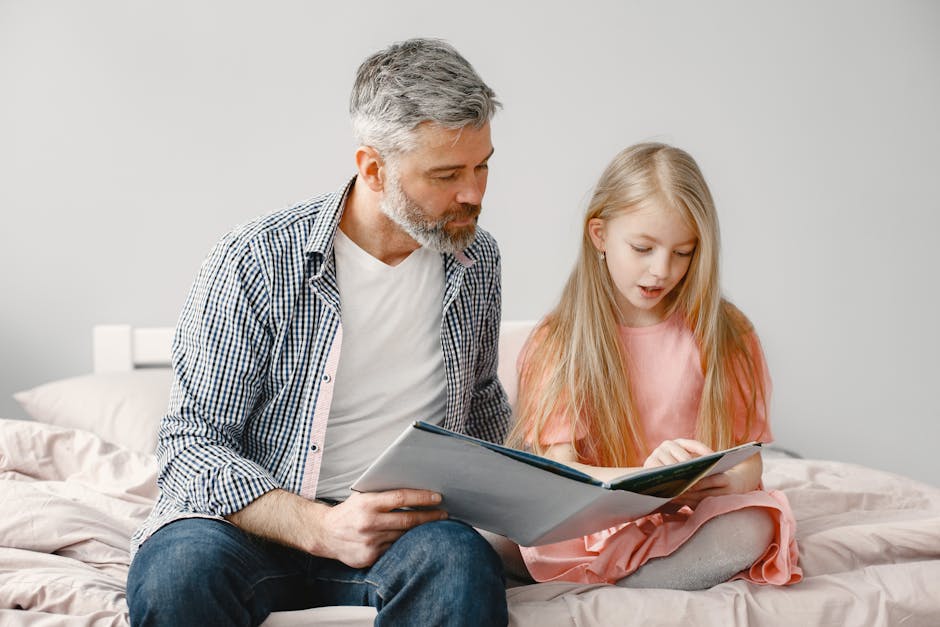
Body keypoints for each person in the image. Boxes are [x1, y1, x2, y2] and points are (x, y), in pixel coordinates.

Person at [127, 38, 511, 626]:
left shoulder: (475, 260)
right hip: (250, 526)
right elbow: (190, 443)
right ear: (373, 169)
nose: (474, 193)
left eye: (482, 166)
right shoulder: (257, 260)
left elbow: (481, 406)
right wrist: (322, 527)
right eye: (447, 174)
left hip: (400, 535)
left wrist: (549, 490)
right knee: (178, 573)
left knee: (461, 563)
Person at [505, 143, 802, 590]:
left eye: (683, 253)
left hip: (687, 520)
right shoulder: (562, 340)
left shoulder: (728, 333)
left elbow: (749, 463)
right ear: (599, 235)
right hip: (595, 522)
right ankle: (634, 580)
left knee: (753, 525)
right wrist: (649, 481)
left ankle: (618, 586)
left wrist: (726, 481)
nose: (662, 270)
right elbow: (564, 475)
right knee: (486, 532)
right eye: (643, 248)